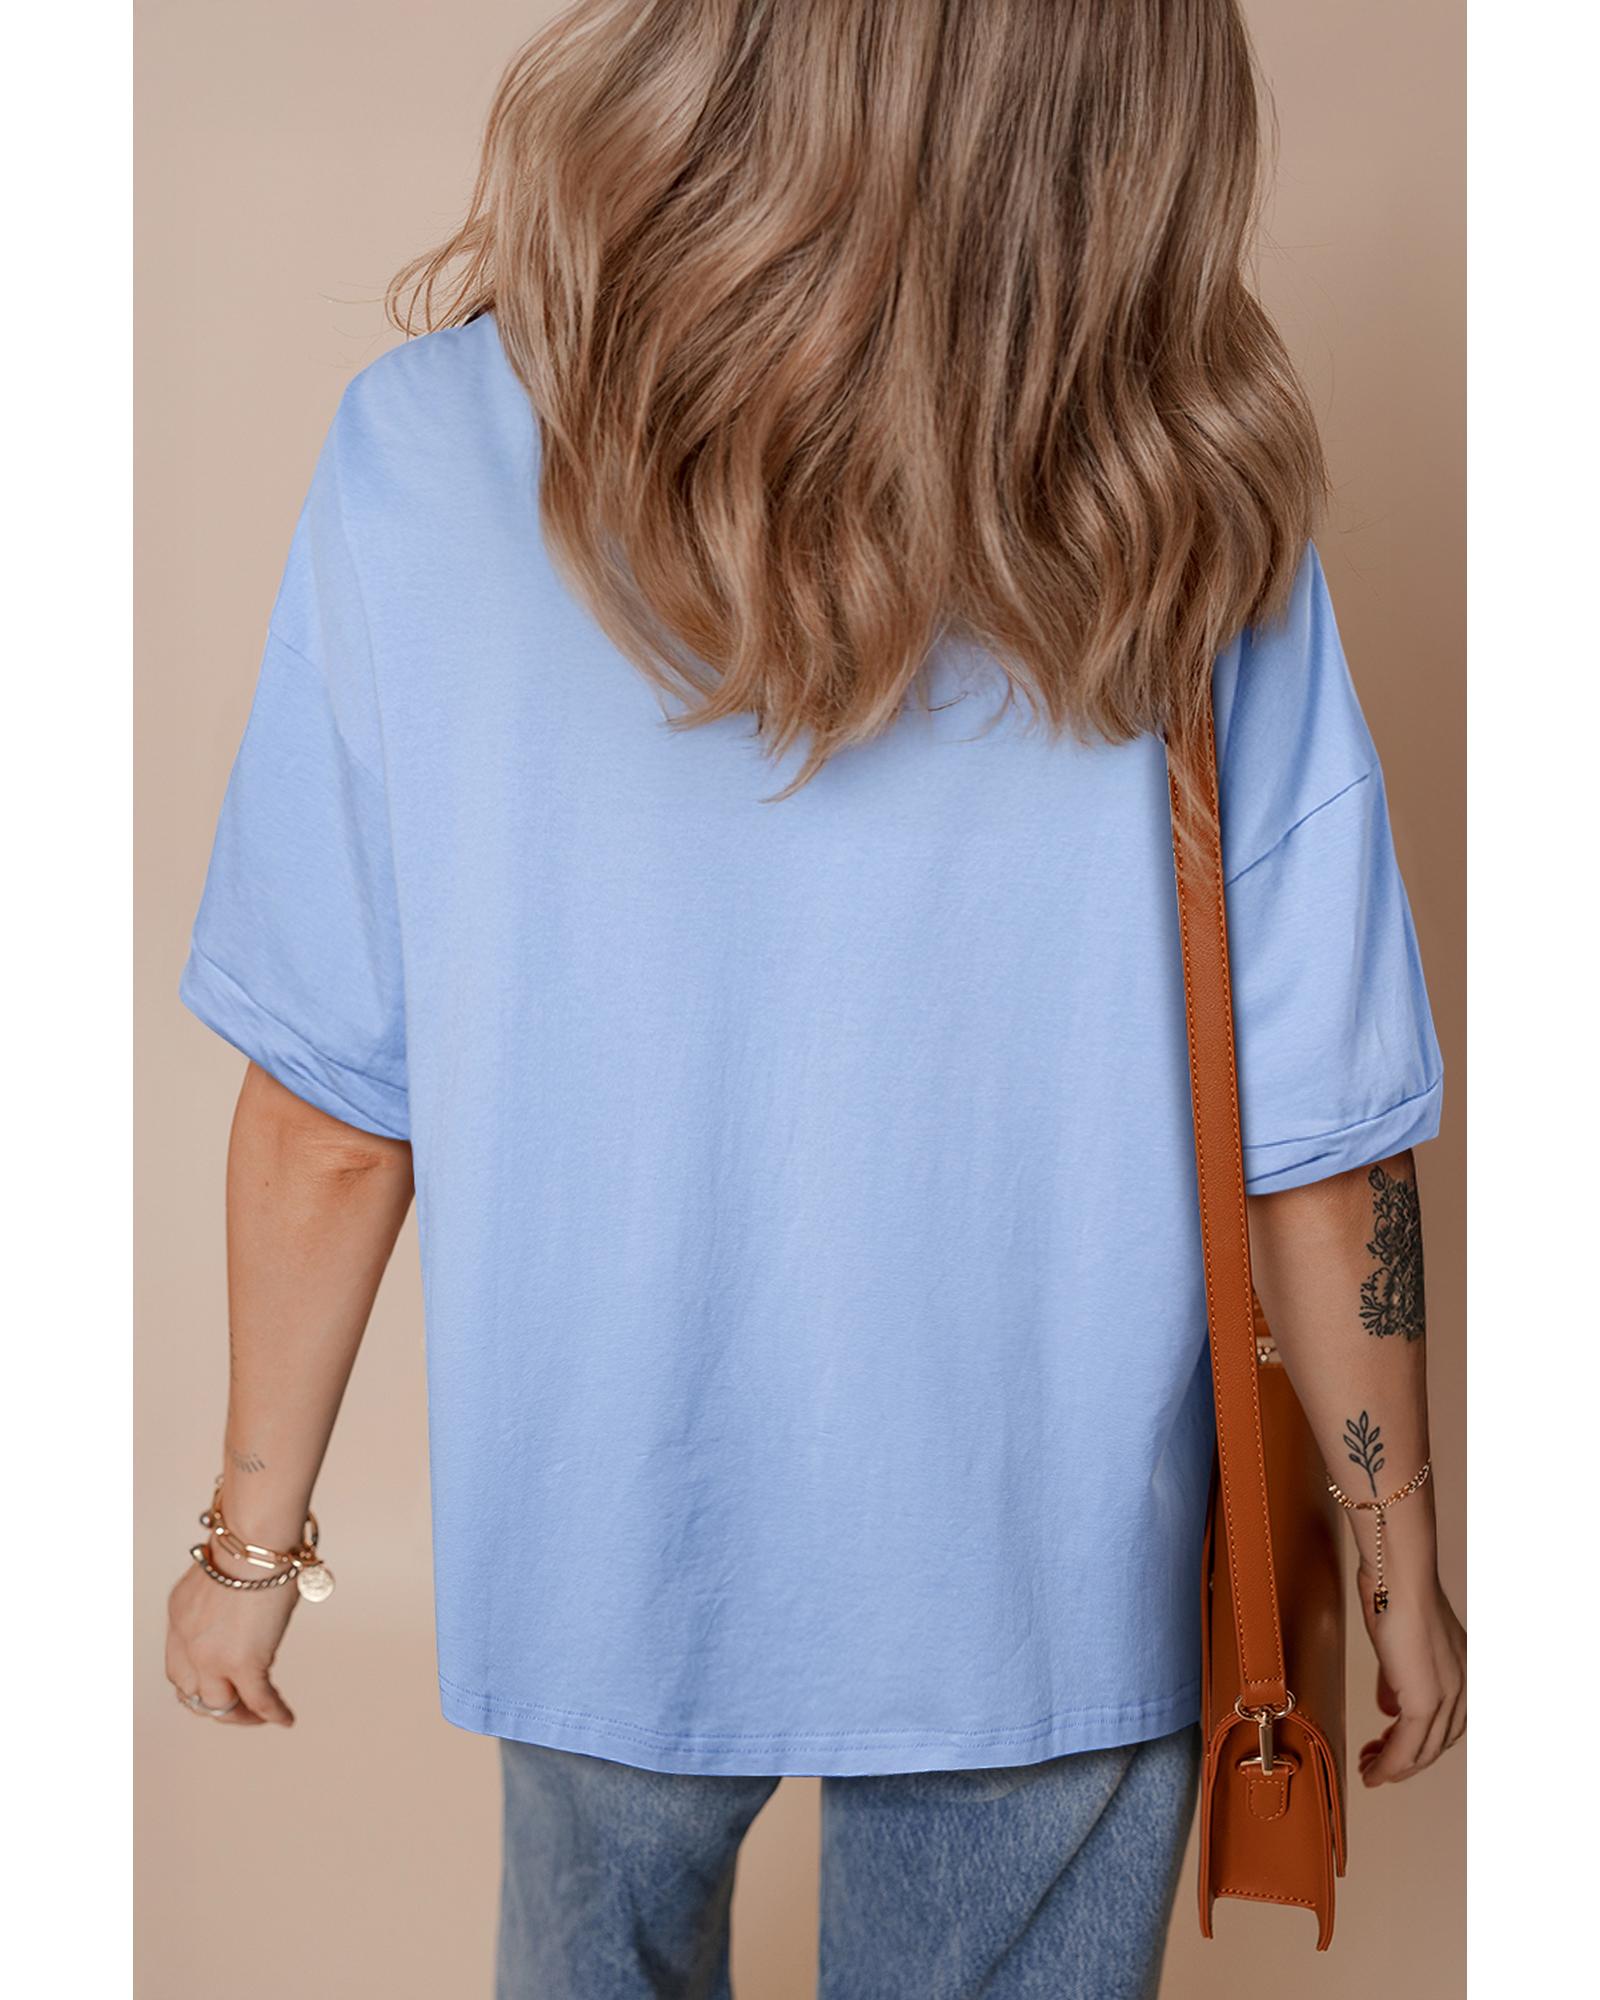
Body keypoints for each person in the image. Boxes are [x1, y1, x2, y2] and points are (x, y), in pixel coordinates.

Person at [164, 3, 1466, 1995]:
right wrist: (1393, 1555)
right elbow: (1313, 1131)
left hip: (593, 1529)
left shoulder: (424, 443)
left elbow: (335, 1112)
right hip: (1044, 1554)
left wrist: (252, 1546)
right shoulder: (1180, 491)